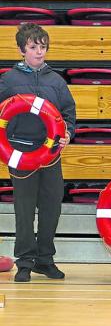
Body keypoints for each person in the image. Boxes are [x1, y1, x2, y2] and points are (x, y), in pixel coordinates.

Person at [0, 23, 75, 282]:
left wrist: (68, 134)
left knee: (51, 207)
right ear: (22, 49)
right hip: (20, 152)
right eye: (33, 47)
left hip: (51, 154)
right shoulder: (8, 80)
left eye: (43, 47)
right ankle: (24, 262)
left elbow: (68, 114)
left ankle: (45, 260)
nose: (39, 52)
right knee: (24, 209)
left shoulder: (56, 81)